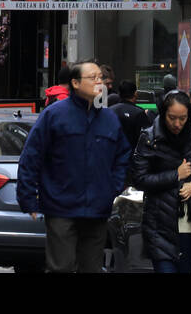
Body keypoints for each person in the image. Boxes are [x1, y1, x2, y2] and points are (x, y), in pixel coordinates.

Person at [17, 60, 130, 273]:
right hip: (61, 205)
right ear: (75, 83)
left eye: (101, 78)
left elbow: (123, 155)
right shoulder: (54, 115)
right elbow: (31, 156)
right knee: (61, 267)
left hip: (98, 207)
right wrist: (28, 199)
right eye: (93, 77)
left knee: (92, 268)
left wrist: (113, 187)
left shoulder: (109, 118)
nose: (100, 82)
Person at [129, 90, 191, 273]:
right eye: (172, 118)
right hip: (159, 224)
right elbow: (139, 179)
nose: (178, 124)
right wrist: (175, 175)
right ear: (163, 114)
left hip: (190, 223)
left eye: (183, 118)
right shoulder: (149, 138)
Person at [110, 80, 148, 154]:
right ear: (135, 93)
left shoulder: (109, 111)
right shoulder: (139, 113)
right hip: (133, 156)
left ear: (119, 93)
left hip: (113, 154)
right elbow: (145, 139)